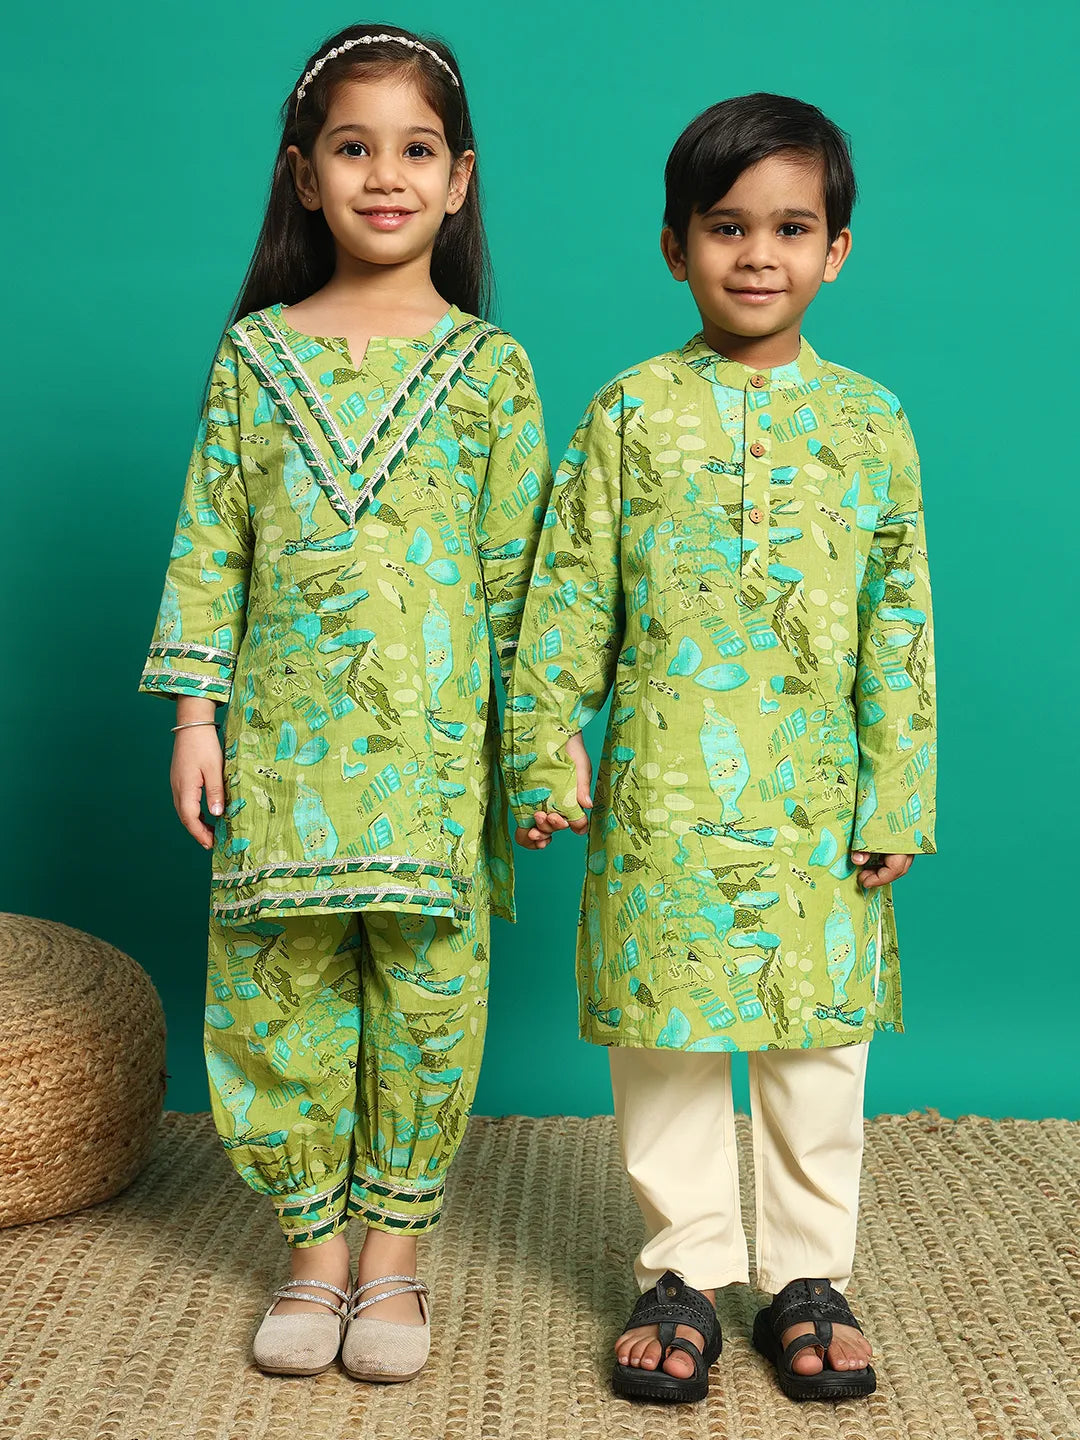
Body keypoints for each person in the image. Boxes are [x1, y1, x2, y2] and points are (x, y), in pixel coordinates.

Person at [506, 92, 936, 1404]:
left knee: (819, 1054)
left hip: (817, 804)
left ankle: (809, 1278)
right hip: (664, 795)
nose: (758, 254)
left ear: (837, 250)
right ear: (674, 247)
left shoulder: (871, 423)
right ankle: (683, 1271)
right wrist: (543, 748)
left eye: (791, 228)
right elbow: (569, 595)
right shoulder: (629, 414)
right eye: (726, 226)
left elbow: (900, 623)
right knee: (670, 1045)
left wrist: (898, 793)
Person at [139, 23, 550, 1383]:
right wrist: (196, 717)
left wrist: (536, 747)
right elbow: (213, 545)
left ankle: (395, 1256)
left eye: (416, 150)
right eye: (353, 148)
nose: (386, 176)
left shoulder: (491, 370)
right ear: (303, 175)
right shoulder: (255, 359)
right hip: (283, 760)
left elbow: (521, 581)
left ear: (459, 178)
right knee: (279, 997)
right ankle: (312, 1254)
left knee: (429, 1002)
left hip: (434, 767)